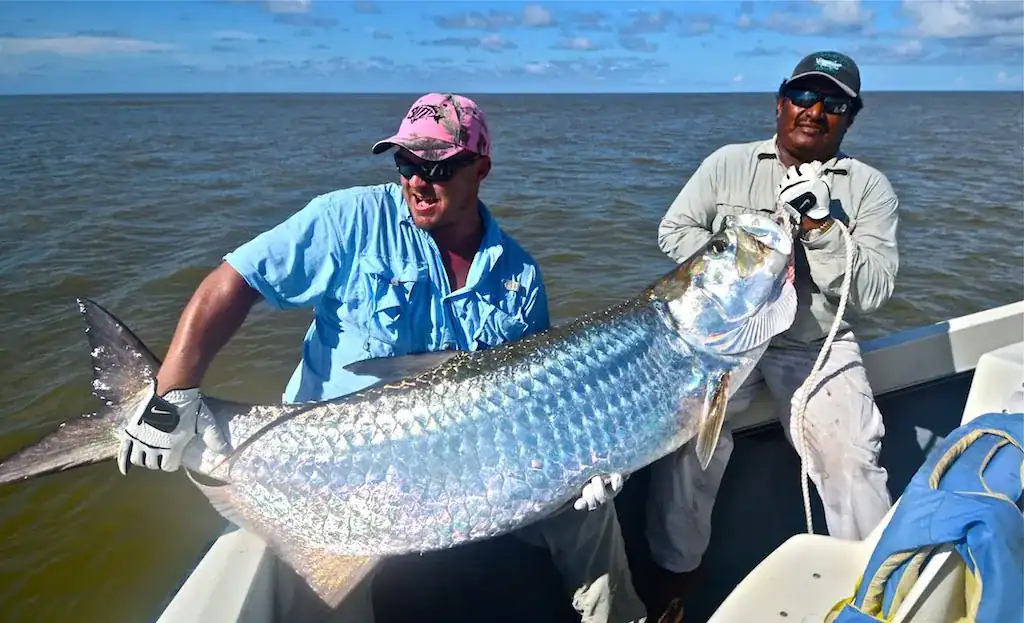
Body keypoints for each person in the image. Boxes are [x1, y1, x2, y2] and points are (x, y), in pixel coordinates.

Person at [114, 92, 647, 623]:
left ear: (480, 169)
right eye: (406, 164)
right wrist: (171, 392)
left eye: (438, 167)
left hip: (474, 466)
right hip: (335, 465)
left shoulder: (518, 274)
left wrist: (601, 458)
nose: (418, 181)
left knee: (592, 516)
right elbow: (234, 282)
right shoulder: (349, 220)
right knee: (319, 606)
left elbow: (534, 398)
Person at [647, 51, 901, 616]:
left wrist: (820, 227)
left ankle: (878, 594)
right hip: (724, 337)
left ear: (851, 117)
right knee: (686, 445)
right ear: (781, 102)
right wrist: (735, 263)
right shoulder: (727, 164)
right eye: (804, 96)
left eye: (833, 103)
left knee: (851, 459)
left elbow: (874, 292)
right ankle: (673, 584)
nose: (815, 110)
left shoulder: (868, 189)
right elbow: (674, 229)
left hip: (812, 344)